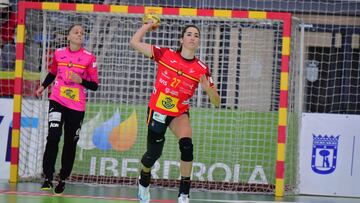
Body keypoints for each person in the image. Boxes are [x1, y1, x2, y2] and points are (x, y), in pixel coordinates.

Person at [130, 16, 220, 203]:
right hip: (158, 110)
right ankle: (144, 179)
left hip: (179, 113)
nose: (192, 37)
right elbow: (134, 42)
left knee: (187, 146)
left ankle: (184, 193)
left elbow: (217, 102)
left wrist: (209, 89)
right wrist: (147, 25)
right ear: (182, 39)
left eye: (196, 35)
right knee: (153, 155)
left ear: (199, 41)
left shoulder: (202, 68)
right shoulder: (166, 54)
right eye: (189, 34)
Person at [35, 24, 99, 195]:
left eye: (82, 33)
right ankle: (48, 177)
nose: (79, 34)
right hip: (57, 100)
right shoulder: (59, 53)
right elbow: (53, 72)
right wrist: (43, 86)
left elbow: (95, 85)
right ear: (68, 37)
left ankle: (62, 178)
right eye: (75, 32)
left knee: (70, 142)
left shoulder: (89, 58)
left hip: (76, 107)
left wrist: (81, 80)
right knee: (54, 136)